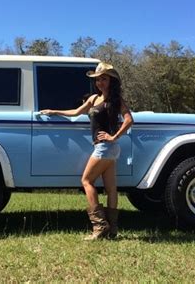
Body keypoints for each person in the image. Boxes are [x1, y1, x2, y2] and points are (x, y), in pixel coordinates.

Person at [40, 62, 134, 240]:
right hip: (108, 149)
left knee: (86, 181)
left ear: (111, 81)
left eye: (104, 79)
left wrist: (114, 137)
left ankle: (99, 227)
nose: (100, 82)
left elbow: (129, 120)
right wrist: (54, 111)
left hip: (106, 147)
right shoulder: (93, 99)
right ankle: (112, 229)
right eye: (98, 79)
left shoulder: (115, 100)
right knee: (111, 188)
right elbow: (76, 112)